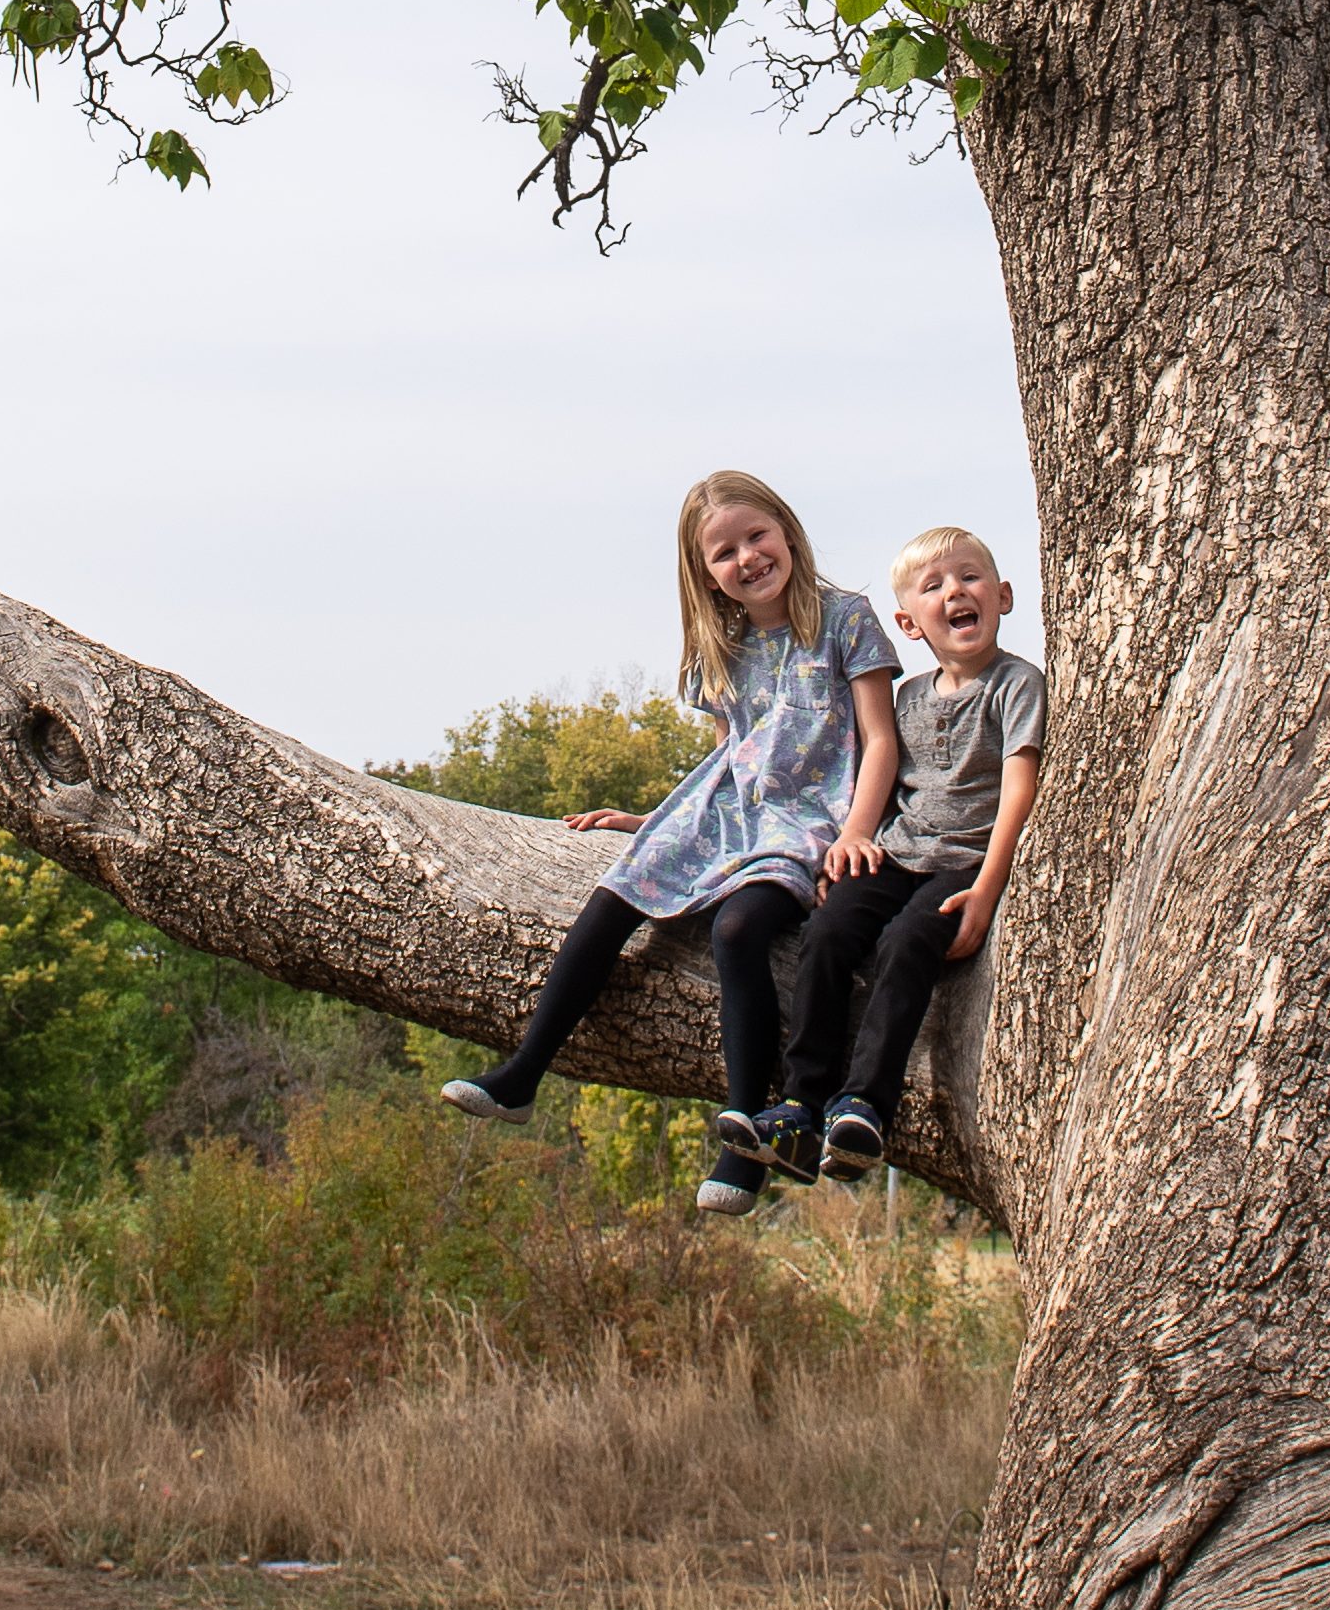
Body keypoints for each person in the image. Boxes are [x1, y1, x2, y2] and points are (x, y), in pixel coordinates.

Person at [441, 470, 897, 1213]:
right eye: (725, 552)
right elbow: (729, 754)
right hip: (726, 809)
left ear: (786, 530)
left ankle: (746, 1134)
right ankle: (523, 1071)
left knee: (741, 927)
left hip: (808, 816)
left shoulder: (845, 619)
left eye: (757, 536)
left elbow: (879, 740)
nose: (747, 557)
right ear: (706, 575)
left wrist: (854, 833)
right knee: (621, 887)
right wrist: (654, 819)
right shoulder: (722, 646)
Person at [763, 527, 1046, 1184]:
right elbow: (885, 786)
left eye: (970, 578)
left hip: (965, 862)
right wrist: (850, 847)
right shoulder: (909, 697)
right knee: (829, 930)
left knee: (910, 939)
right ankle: (801, 1100)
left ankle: (865, 1102)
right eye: (935, 586)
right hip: (898, 851)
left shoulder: (1016, 684)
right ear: (908, 623)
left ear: (1003, 595)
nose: (956, 592)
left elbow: (1018, 791)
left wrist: (987, 888)